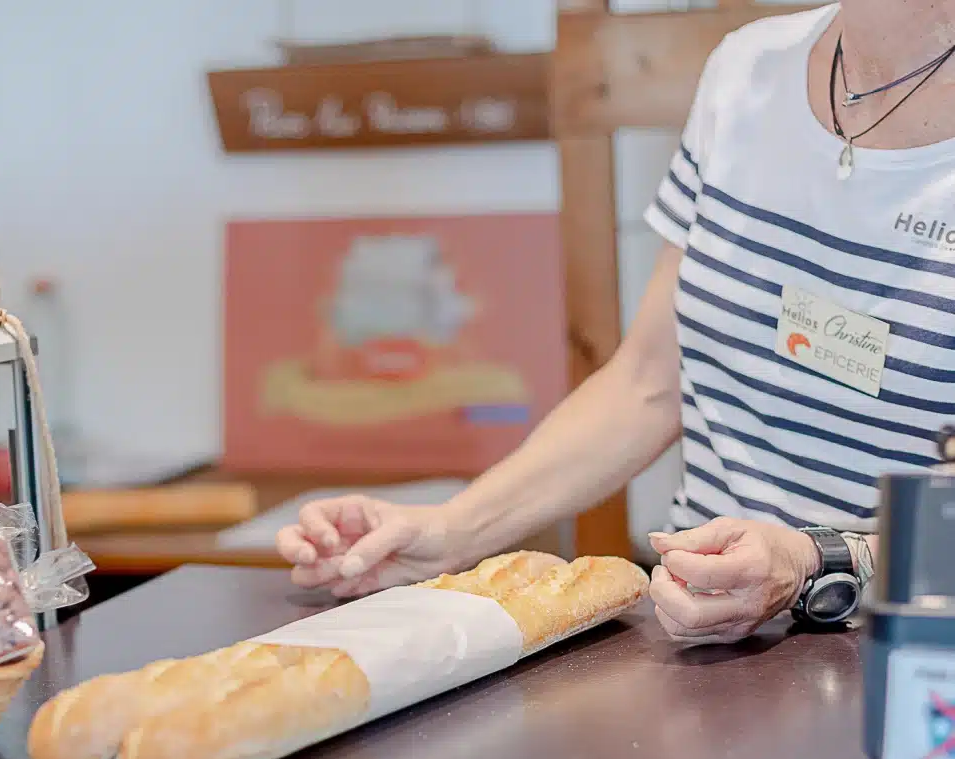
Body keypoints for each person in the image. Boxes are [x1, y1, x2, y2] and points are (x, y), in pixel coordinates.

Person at [278, 0, 955, 643]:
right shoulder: (747, 70)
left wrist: (818, 563)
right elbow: (649, 382)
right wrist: (451, 532)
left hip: (908, 661)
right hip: (699, 638)